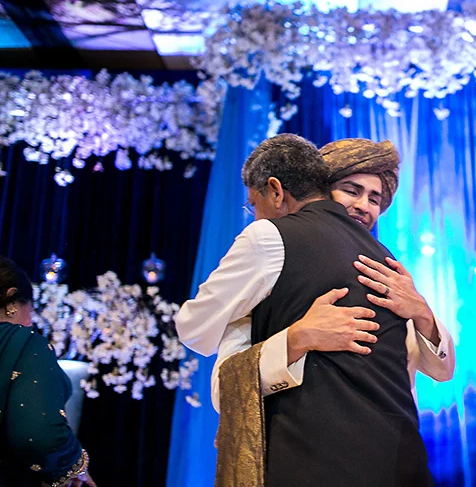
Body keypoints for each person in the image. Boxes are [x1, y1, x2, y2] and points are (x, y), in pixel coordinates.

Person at [175, 134, 435, 487]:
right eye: (352, 191)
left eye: (253, 204)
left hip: (315, 458)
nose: (363, 206)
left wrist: (254, 319)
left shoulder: (269, 236)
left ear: (275, 191)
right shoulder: (384, 258)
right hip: (400, 462)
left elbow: (194, 330)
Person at [207, 138, 454, 412]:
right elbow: (225, 390)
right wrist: (297, 339)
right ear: (319, 194)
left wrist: (422, 314)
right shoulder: (273, 263)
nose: (363, 206)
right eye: (351, 191)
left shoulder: (385, 272)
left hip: (392, 432)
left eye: (374, 199)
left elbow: (443, 371)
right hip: (300, 431)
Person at [0, 257, 96, 487]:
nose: (30, 322)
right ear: (12, 300)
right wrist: (75, 465)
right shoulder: (22, 341)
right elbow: (38, 434)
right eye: (30, 311)